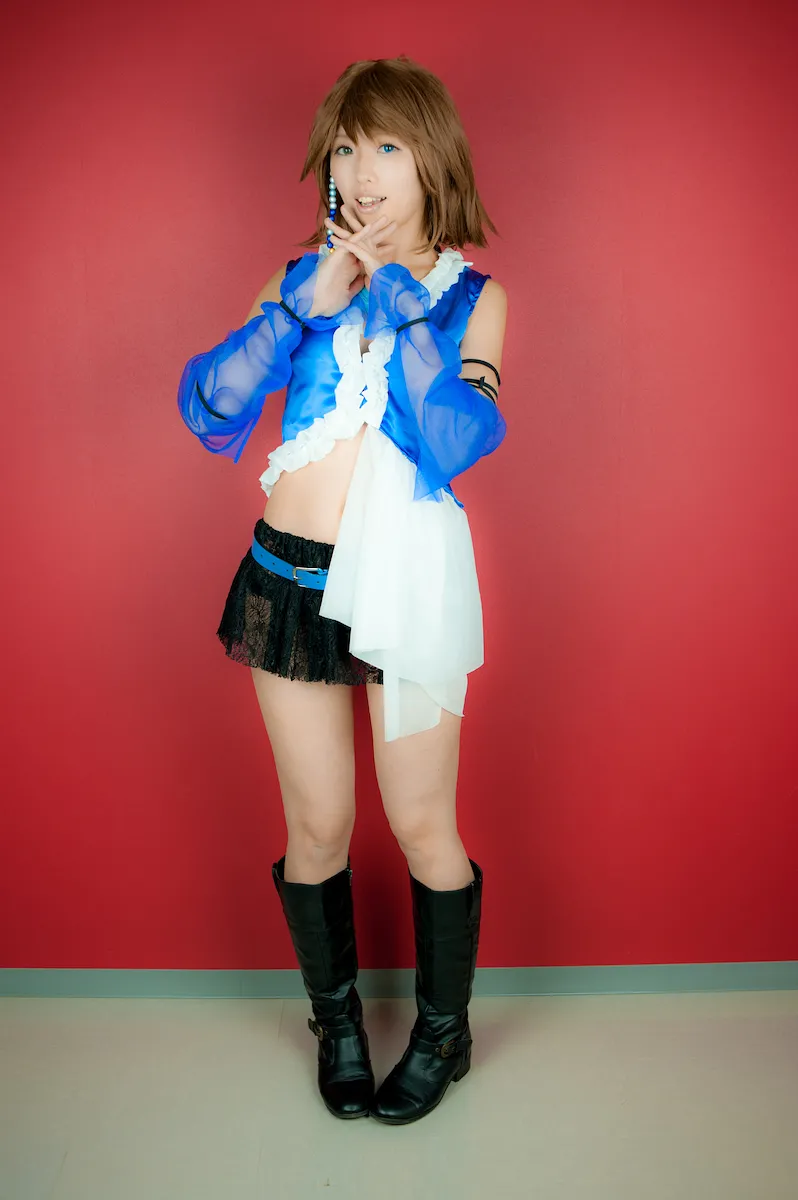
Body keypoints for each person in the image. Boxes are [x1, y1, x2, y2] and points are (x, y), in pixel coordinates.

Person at [176, 55, 508, 1125]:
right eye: (348, 148)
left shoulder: (476, 299)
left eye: (389, 147)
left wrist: (402, 308)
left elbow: (456, 440)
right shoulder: (297, 279)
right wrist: (299, 306)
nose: (363, 171)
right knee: (318, 825)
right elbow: (211, 406)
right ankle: (338, 1025)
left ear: (432, 159)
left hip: (407, 586)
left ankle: (445, 1033)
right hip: (287, 581)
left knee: (421, 824)